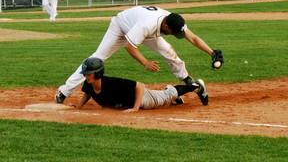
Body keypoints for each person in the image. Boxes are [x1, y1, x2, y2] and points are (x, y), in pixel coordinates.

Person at [55, 6, 222, 106]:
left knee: (169, 51)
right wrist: (145, 63)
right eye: (171, 32)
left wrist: (211, 52)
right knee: (97, 58)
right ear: (165, 25)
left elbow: (192, 37)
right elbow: (130, 46)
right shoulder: (148, 24)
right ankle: (63, 92)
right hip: (121, 27)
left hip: (145, 32)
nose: (172, 34)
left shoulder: (173, 20)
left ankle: (188, 81)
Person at [69, 57, 208, 112]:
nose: (85, 75)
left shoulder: (112, 83)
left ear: (98, 73)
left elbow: (139, 86)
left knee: (167, 95)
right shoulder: (88, 83)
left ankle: (196, 86)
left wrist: (136, 107)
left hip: (142, 100)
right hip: (131, 102)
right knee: (166, 95)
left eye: (88, 73)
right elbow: (88, 93)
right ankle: (174, 96)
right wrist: (79, 106)